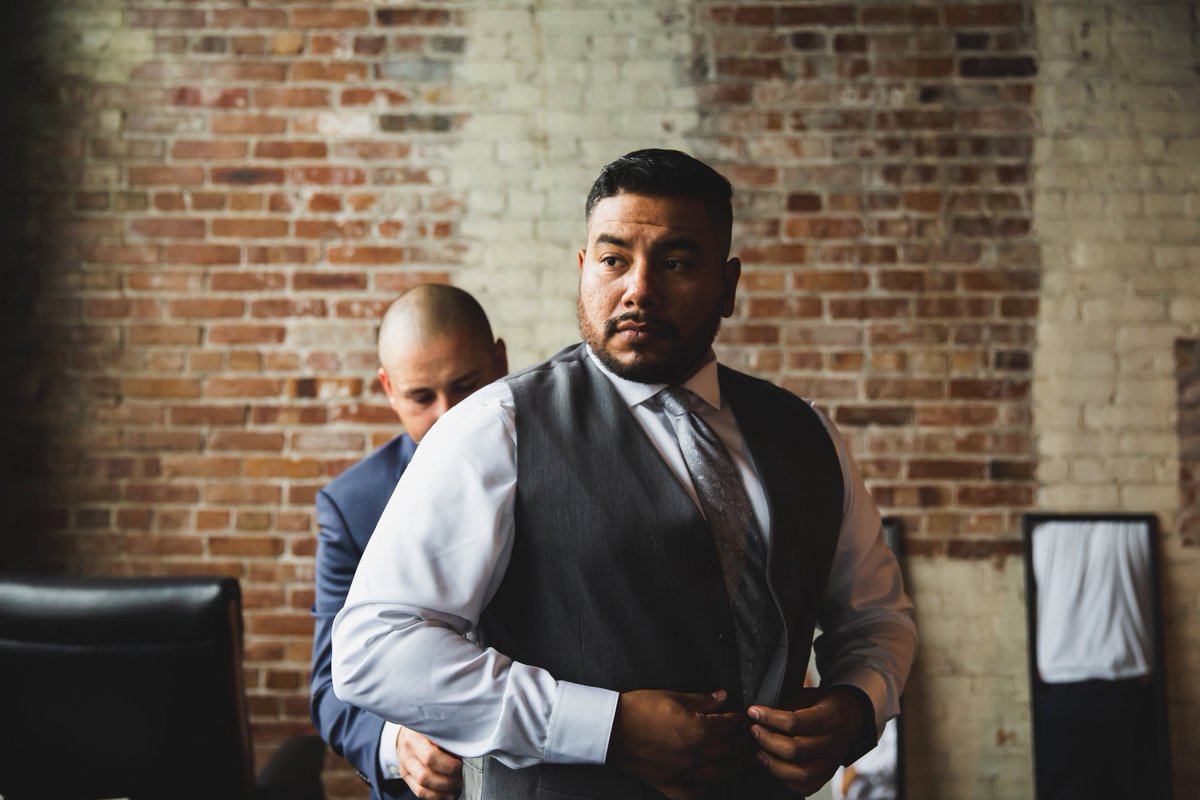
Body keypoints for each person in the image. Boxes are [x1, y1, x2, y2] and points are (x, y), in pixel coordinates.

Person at [333, 149, 917, 799]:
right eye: (614, 260)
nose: (638, 287)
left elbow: (876, 618)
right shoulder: (495, 429)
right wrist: (603, 726)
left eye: (674, 263)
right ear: (585, 271)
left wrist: (859, 706)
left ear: (727, 286)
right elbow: (375, 650)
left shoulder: (807, 434)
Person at [310, 284, 508, 800]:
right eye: (422, 397)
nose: (448, 416)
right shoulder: (350, 506)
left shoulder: (565, 467)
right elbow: (331, 687)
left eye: (467, 387)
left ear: (501, 362)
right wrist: (394, 743)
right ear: (389, 388)